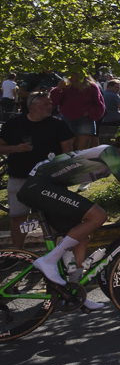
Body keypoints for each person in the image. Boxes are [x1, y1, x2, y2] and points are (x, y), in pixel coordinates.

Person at [21, 127, 120, 310]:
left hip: (48, 186)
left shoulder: (116, 160)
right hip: (39, 185)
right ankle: (48, 260)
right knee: (98, 216)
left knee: (82, 237)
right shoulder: (110, 152)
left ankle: (74, 292)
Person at [0, 91, 74, 248]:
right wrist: (15, 148)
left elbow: (68, 153)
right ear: (32, 106)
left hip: (49, 180)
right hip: (19, 177)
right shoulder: (14, 124)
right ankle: (18, 253)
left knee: (52, 216)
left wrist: (64, 176)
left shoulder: (58, 124)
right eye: (45, 104)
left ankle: (54, 254)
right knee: (19, 217)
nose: (50, 106)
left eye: (50, 103)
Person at [51, 73, 106, 151]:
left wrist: (90, 112)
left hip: (85, 119)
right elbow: (52, 102)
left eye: (73, 73)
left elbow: (99, 104)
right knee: (66, 149)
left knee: (82, 150)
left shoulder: (91, 87)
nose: (69, 75)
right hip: (67, 119)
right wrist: (58, 89)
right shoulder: (65, 87)